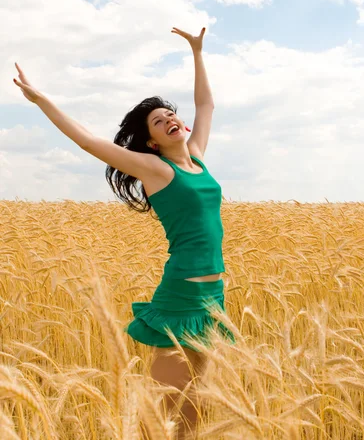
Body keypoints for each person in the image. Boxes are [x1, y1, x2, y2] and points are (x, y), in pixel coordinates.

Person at [13, 26, 235, 439]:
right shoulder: (156, 169)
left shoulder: (198, 160)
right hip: (181, 295)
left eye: (171, 115)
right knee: (163, 407)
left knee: (196, 404)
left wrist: (197, 52)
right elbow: (88, 141)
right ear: (150, 142)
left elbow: (206, 105)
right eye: (158, 121)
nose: (170, 119)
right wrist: (42, 100)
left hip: (214, 296)